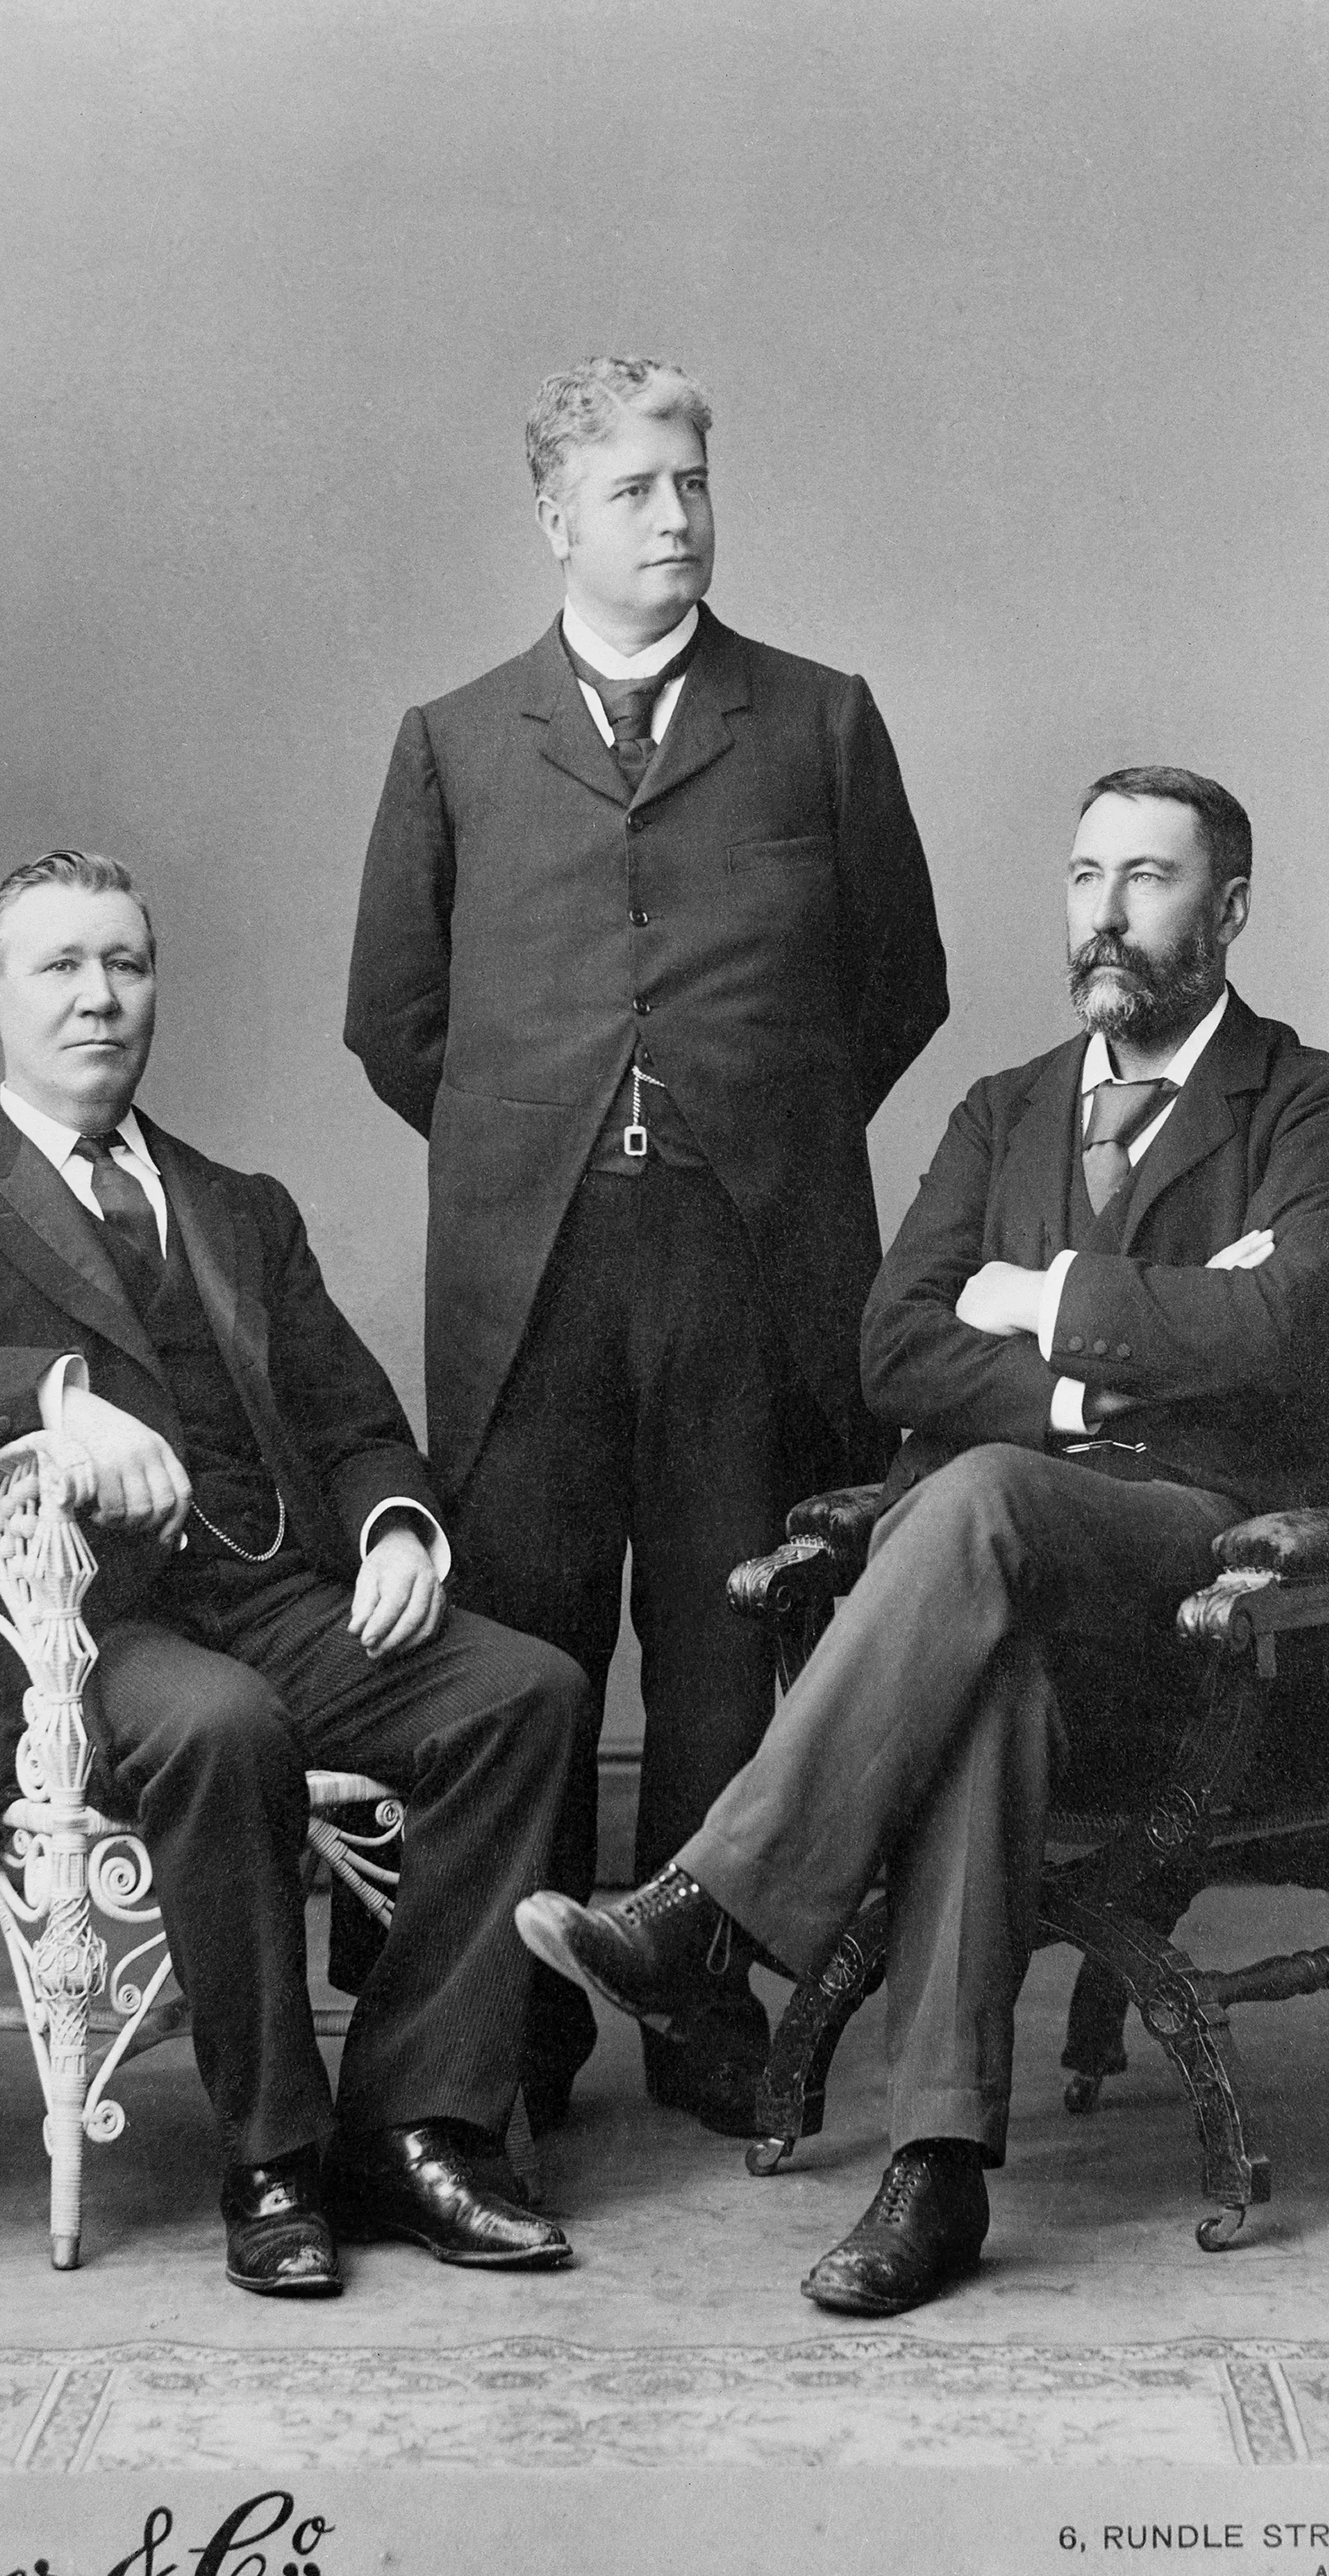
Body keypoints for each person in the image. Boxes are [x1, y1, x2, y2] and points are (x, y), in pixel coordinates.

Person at [516, 767, 1329, 2313]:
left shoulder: (1314, 1105)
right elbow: (893, 1347)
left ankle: (711, 1906)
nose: (1105, 912)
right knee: (988, 1658)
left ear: (1229, 906)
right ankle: (936, 2174)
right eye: (1082, 876)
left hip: (1189, 1562)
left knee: (974, 1491)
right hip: (994, 1586)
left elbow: (1284, 1328)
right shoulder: (1003, 1110)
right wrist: (1098, 1365)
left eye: (1149, 877)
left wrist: (1035, 1294)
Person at [0, 848, 589, 2298]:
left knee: (522, 1690)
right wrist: (44, 1393)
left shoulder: (236, 1206)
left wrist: (399, 1522)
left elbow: (348, 1420)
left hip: (273, 1595)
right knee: (223, 1725)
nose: (100, 998)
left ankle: (413, 2124)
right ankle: (272, 2158)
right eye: (60, 967)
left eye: (127, 965)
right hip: (62, 1632)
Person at [345, 356, 947, 2135]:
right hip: (529, 1267)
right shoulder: (455, 739)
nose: (678, 517)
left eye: (694, 482)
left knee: (719, 1637)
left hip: (752, 1254)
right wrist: (541, 1146)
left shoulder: (818, 717)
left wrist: (742, 1129)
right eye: (636, 491)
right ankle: (513, 2035)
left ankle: (697, 2013)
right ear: (556, 517)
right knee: (526, 1643)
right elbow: (396, 1022)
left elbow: (894, 989)